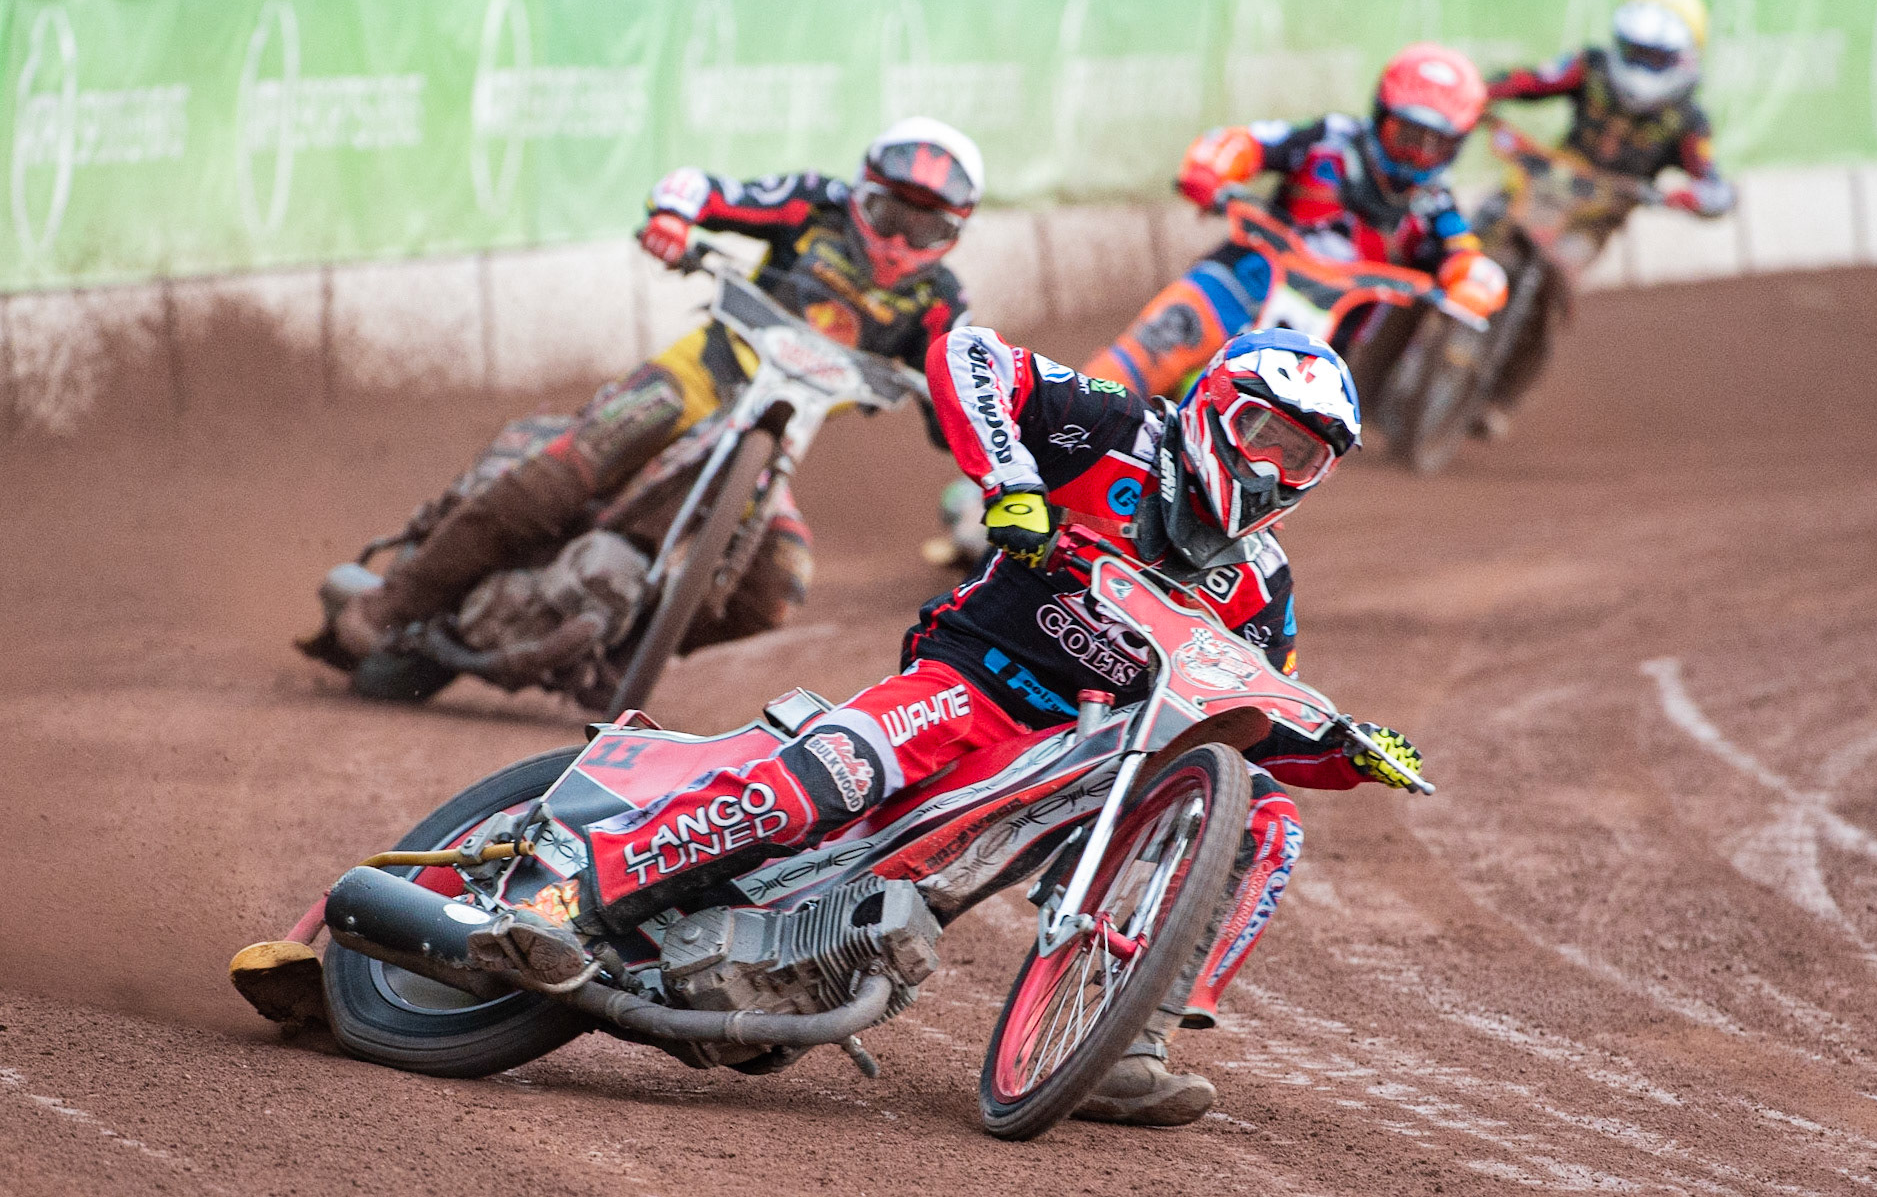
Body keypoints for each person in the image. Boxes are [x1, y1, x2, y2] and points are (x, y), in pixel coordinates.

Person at [501, 323, 1425, 1127]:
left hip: (1077, 763)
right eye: (1263, 434)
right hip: (973, 681)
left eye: (1301, 456)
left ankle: (1130, 1043)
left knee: (1263, 814)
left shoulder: (1263, 587)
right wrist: (1010, 478)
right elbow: (968, 357)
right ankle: (568, 900)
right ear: (1218, 406)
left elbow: (1252, 719)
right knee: (838, 776)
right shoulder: (1117, 431)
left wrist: (1343, 754)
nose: (1272, 468)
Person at [330, 118, 982, 663]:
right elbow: (703, 188)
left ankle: (623, 648)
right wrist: (674, 214)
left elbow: (961, 396)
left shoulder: (940, 303)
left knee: (777, 584)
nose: (898, 239)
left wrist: (975, 433)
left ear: (951, 234)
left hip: (774, 442)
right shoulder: (815, 205)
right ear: (863, 193)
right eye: (890, 212)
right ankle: (393, 603)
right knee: (563, 475)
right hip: (696, 379)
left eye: (923, 228)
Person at [1086, 43, 1507, 402]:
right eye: (1408, 137)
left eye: (1436, 146)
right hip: (1245, 278)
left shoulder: (1435, 205)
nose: (1417, 155)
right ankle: (1056, 441)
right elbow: (1248, 143)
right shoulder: (1329, 139)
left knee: (1273, 448)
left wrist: (1471, 286)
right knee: (1157, 345)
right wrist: (1213, 170)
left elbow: (1466, 257)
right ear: (1382, 116)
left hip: (1319, 346)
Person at [1476, 0, 1733, 435]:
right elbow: (1530, 80)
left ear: (1684, 58)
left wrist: (1698, 196)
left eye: (1655, 57)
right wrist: (1477, 93)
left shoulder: (1689, 122)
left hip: (1595, 218)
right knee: (1471, 229)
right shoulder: (1589, 68)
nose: (1641, 65)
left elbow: (1712, 183)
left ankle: (1500, 398)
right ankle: (1394, 327)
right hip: (1542, 182)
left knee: (1549, 297)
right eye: (1634, 51)